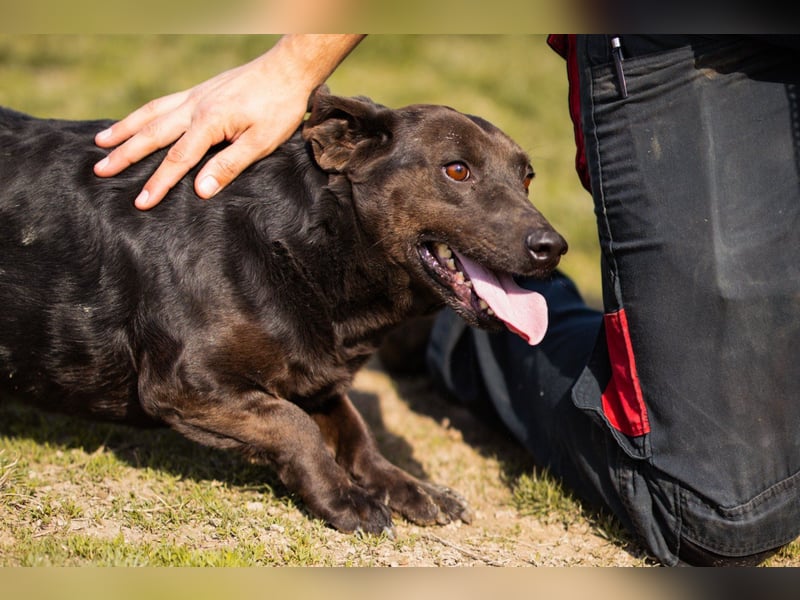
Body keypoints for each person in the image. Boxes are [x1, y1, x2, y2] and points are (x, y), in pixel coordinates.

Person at [94, 34, 800, 566]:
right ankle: (451, 332)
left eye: (520, 183)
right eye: (459, 171)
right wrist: (295, 66)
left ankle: (444, 313)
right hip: (694, 37)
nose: (534, 222)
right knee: (722, 513)